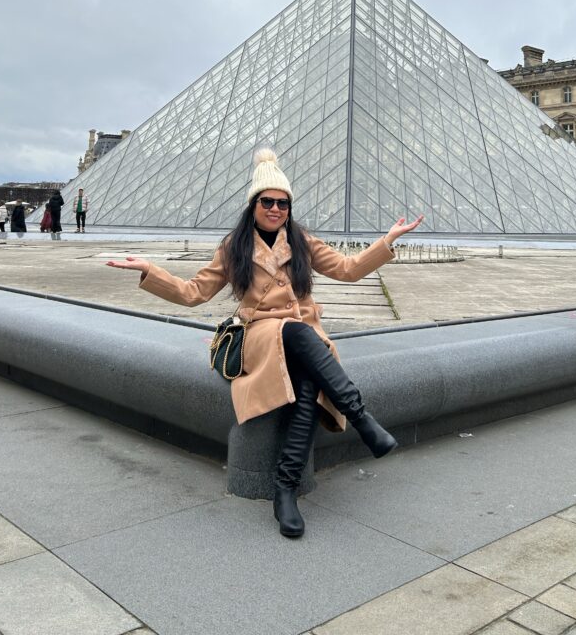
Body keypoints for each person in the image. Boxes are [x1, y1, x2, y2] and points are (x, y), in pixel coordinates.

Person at [106, 149, 424, 539]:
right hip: (260, 335)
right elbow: (193, 293)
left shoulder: (301, 241)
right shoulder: (234, 246)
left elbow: (347, 269)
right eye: (268, 202)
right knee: (295, 332)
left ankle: (284, 490)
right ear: (253, 204)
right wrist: (150, 271)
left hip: (301, 339)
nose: (276, 209)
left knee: (307, 384)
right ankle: (360, 417)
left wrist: (386, 241)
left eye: (283, 203)